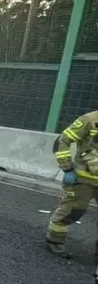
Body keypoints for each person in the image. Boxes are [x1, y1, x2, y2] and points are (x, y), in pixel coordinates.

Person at [46, 110, 98, 259]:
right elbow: (62, 141)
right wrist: (67, 168)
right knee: (73, 210)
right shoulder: (89, 119)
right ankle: (55, 240)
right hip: (83, 179)